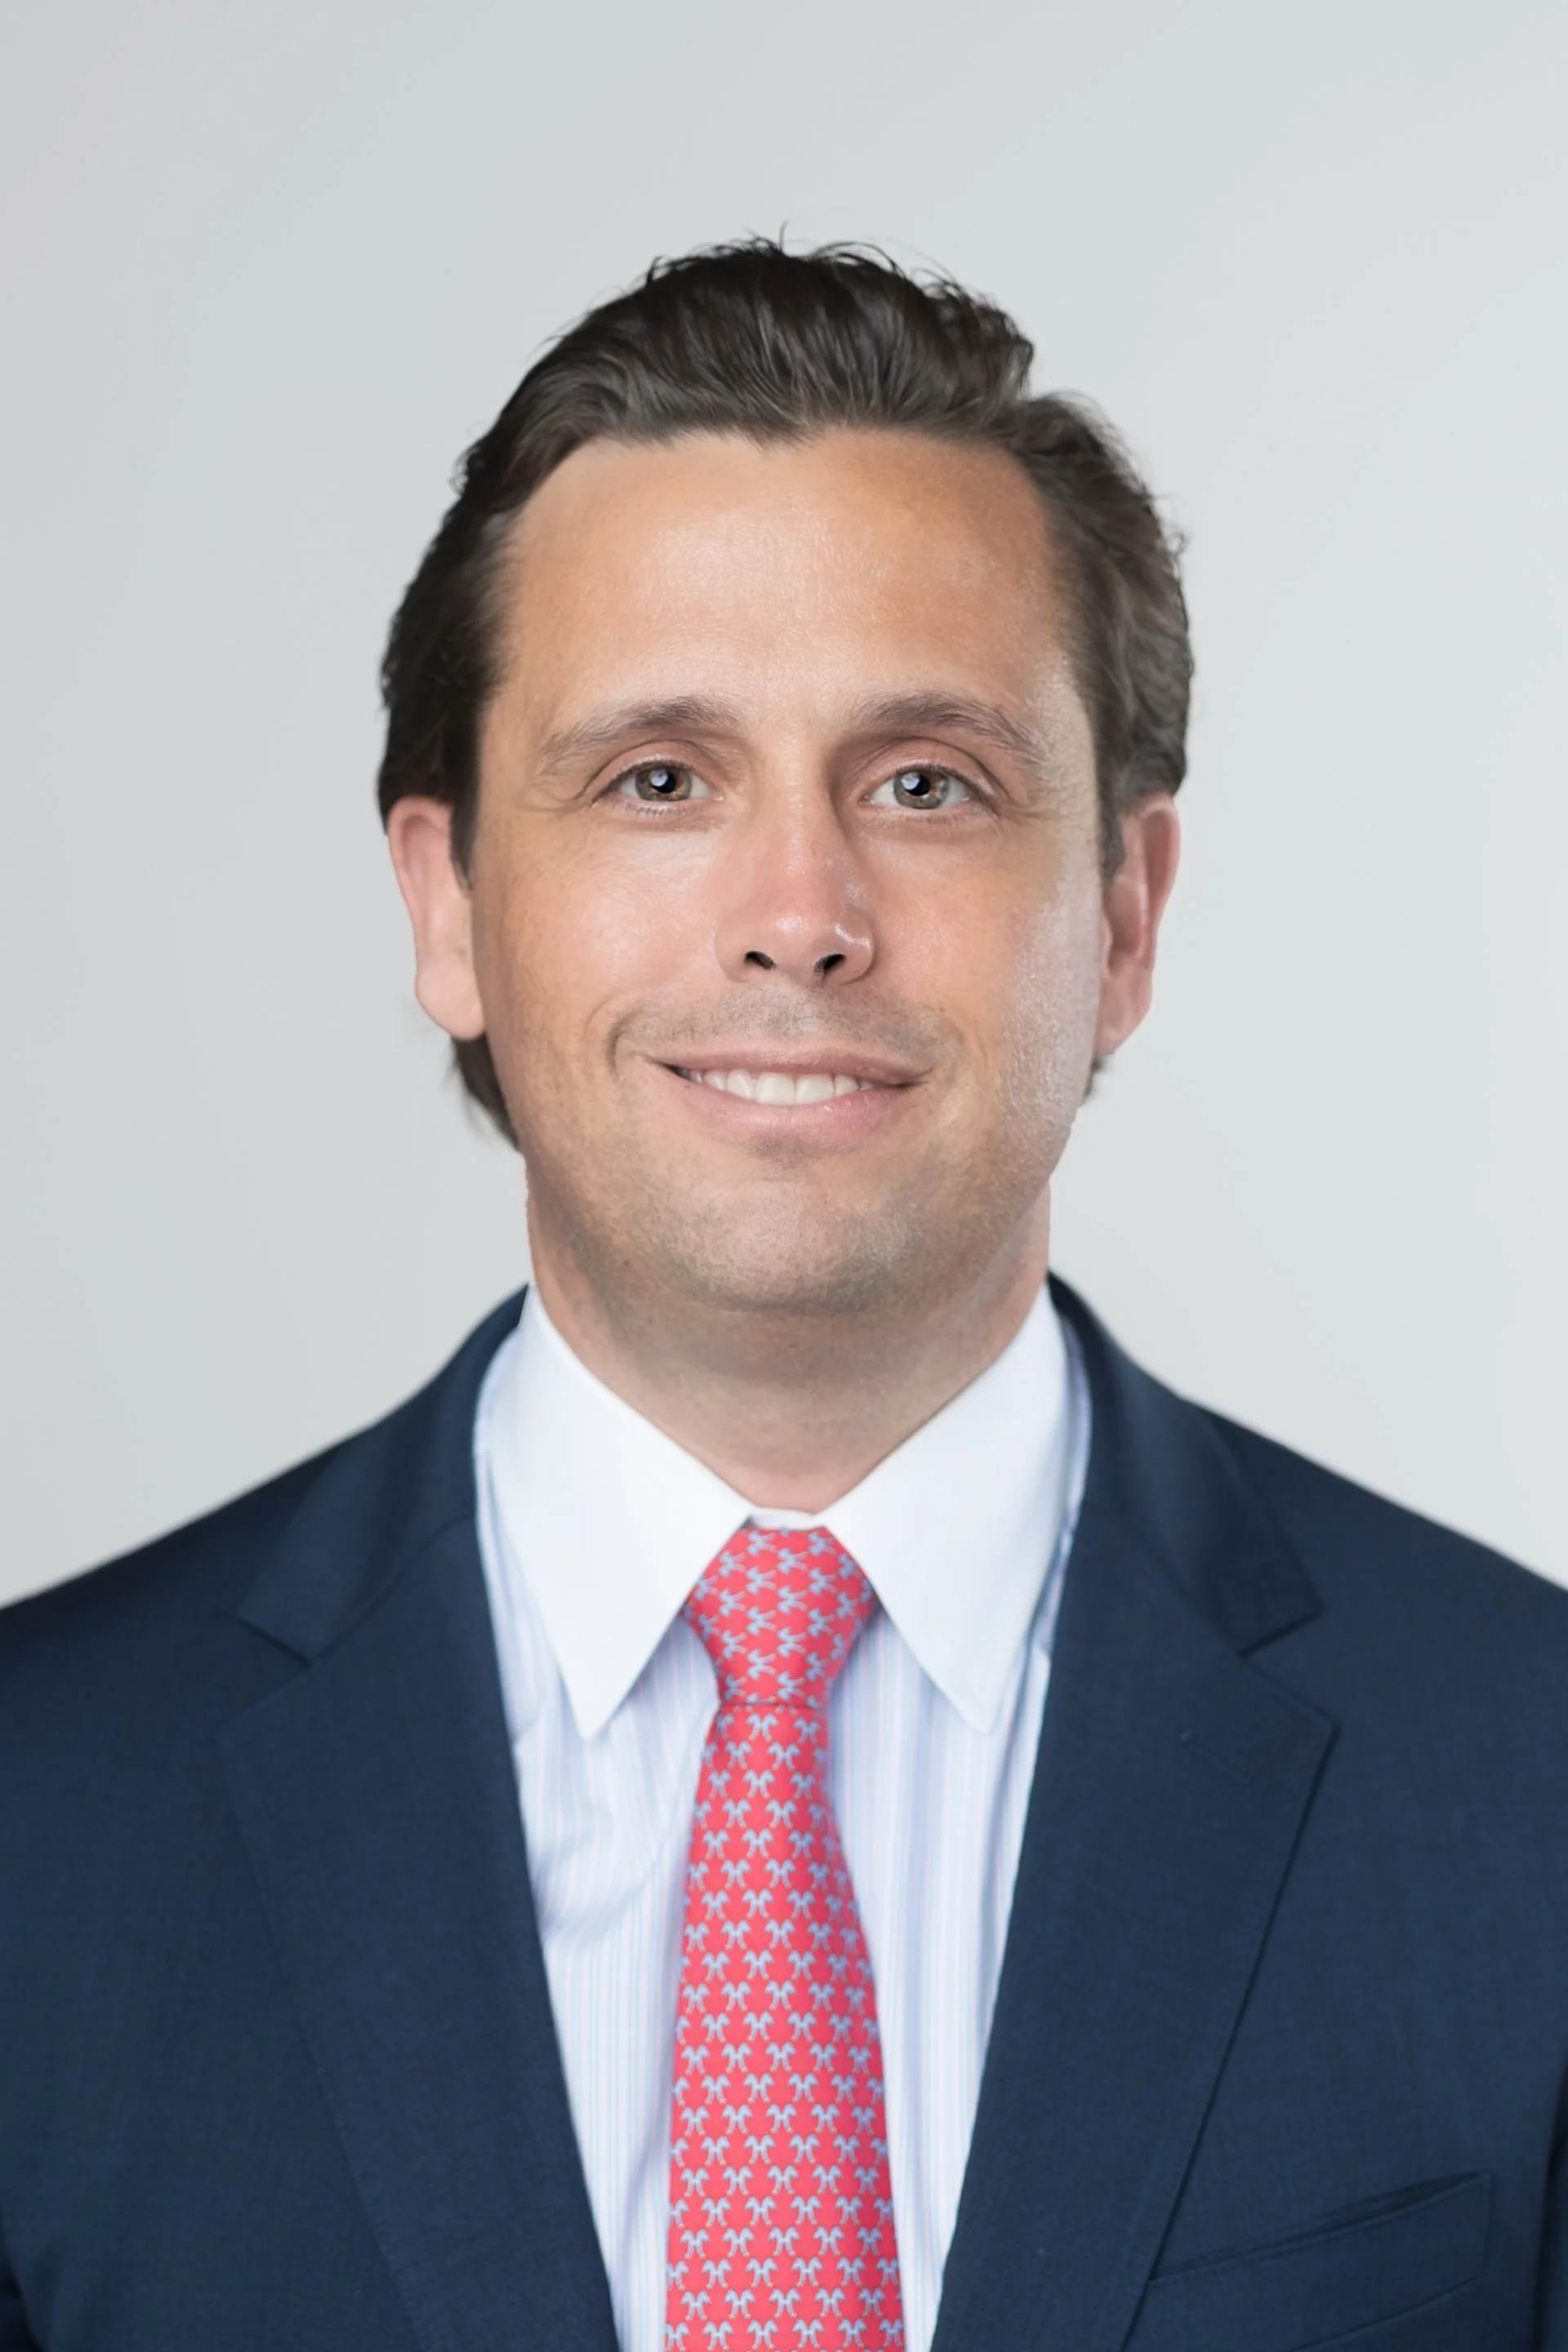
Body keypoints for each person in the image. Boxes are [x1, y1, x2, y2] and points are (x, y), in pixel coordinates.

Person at [1, 240, 1564, 2352]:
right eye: (659, 779)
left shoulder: (1528, 1787)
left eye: (927, 784)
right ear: (448, 908)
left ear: (1122, 915)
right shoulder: (39, 1820)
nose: (801, 916)